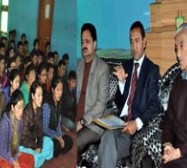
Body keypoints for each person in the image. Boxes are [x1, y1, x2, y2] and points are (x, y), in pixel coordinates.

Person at [97, 21, 160, 168]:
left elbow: (155, 104)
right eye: (131, 42)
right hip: (118, 122)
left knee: (106, 145)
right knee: (107, 137)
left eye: (137, 41)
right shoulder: (125, 66)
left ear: (144, 42)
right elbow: (119, 103)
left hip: (132, 130)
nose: (134, 46)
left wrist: (137, 123)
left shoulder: (152, 70)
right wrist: (121, 83)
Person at [162, 22, 187, 167]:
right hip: (176, 152)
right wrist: (168, 144)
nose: (178, 54)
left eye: (181, 46)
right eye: (176, 48)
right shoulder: (177, 80)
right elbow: (168, 119)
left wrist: (179, 151)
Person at [76, 23, 110, 159]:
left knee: (75, 142)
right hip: (77, 119)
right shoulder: (79, 66)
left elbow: (101, 104)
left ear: (94, 44)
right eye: (82, 42)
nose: (84, 45)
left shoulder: (102, 68)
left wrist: (82, 121)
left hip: (93, 123)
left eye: (87, 41)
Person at [0, 90, 34, 168]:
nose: (21, 111)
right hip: (2, 156)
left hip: (12, 154)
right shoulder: (5, 123)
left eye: (22, 107)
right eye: (18, 108)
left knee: (30, 158)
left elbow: (17, 144)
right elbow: (1, 150)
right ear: (12, 108)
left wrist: (16, 155)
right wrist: (12, 160)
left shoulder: (20, 121)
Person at [20, 81, 54, 167]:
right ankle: (37, 159)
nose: (41, 98)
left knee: (50, 143)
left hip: (34, 141)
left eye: (42, 95)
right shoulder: (27, 112)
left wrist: (39, 145)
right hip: (25, 145)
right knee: (33, 157)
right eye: (38, 95)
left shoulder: (39, 110)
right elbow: (23, 139)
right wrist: (36, 146)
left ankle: (38, 159)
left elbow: (40, 131)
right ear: (32, 95)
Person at [42, 77, 73, 157]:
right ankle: (55, 149)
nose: (60, 93)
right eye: (58, 90)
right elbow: (45, 129)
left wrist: (60, 136)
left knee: (69, 141)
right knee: (56, 145)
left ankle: (56, 150)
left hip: (55, 133)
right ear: (53, 90)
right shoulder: (47, 105)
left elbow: (58, 123)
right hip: (46, 135)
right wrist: (58, 138)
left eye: (61, 90)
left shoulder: (59, 103)